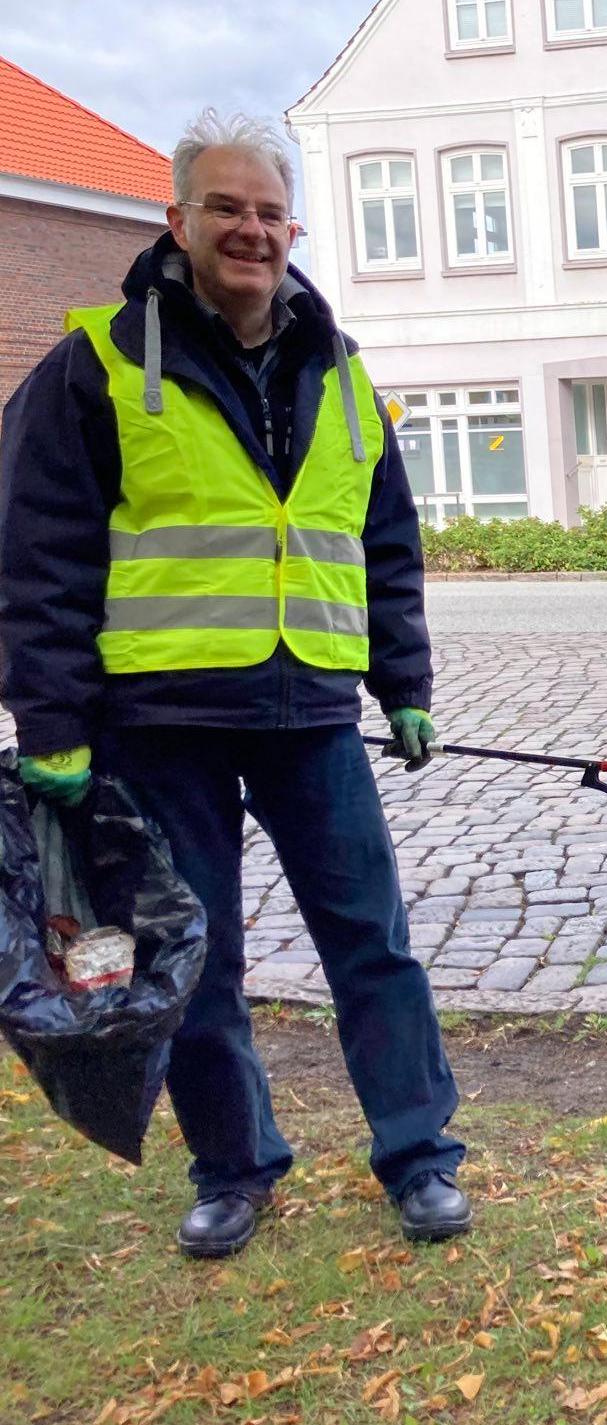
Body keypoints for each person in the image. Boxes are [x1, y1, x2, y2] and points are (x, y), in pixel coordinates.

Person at [0, 111, 469, 1258]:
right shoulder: (95, 366)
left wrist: (401, 679)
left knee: (375, 946)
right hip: (158, 726)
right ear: (178, 222)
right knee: (198, 964)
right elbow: (38, 557)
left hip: (312, 713)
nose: (249, 230)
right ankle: (234, 1167)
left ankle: (419, 1157)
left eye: (267, 211)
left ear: (291, 228)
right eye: (226, 208)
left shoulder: (341, 371)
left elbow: (383, 543)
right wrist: (51, 723)